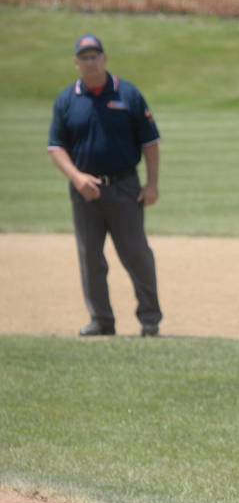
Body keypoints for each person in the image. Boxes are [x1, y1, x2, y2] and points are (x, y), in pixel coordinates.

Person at [47, 34, 164, 338]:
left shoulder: (128, 94)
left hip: (124, 186)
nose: (90, 61)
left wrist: (152, 185)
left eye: (94, 55)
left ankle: (150, 319)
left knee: (136, 253)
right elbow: (56, 147)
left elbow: (150, 143)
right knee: (90, 257)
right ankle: (101, 320)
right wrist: (77, 177)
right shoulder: (67, 100)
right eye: (84, 57)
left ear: (105, 59)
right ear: (76, 63)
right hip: (85, 192)